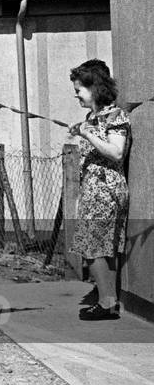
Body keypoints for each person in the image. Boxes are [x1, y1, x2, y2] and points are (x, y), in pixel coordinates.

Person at [68, 60, 130, 321]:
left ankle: (106, 303)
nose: (76, 94)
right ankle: (109, 300)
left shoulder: (116, 116)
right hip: (94, 190)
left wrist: (88, 134)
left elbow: (116, 152)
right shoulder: (93, 118)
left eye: (80, 88)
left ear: (96, 88)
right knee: (103, 247)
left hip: (106, 191)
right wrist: (84, 131)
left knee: (93, 247)